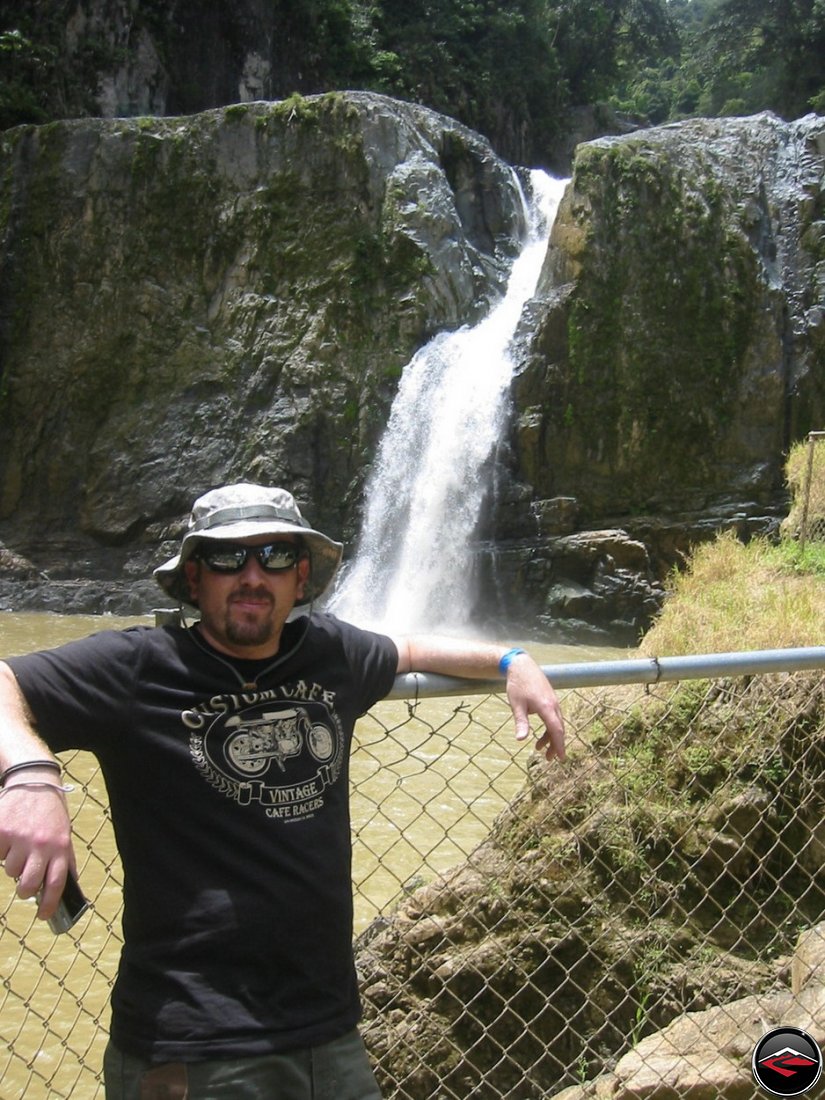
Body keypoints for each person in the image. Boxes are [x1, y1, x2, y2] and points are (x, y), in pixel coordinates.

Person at [0, 482, 565, 1100]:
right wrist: (30, 776)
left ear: (300, 578)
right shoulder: (138, 666)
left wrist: (513, 660)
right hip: (195, 1046)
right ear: (194, 577)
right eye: (226, 558)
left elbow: (410, 649)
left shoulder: (328, 652)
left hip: (330, 1035)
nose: (251, 576)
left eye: (272, 556)